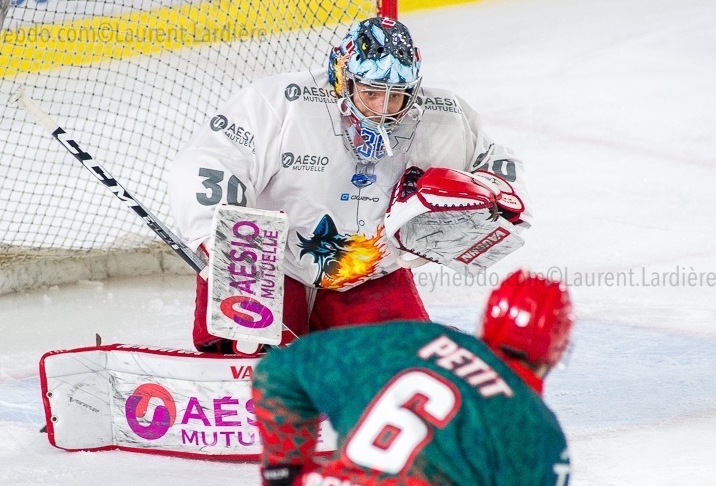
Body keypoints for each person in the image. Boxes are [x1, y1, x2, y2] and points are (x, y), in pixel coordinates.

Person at [168, 17, 533, 352]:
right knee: (248, 360)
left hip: (370, 271)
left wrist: (494, 195)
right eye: (371, 93)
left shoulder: (444, 117)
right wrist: (221, 241)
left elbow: (497, 164)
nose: (383, 110)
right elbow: (212, 160)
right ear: (343, 79)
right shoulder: (281, 103)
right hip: (269, 265)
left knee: (404, 362)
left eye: (396, 96)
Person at [244, 269, 573, 486]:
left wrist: (282, 478)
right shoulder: (537, 427)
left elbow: (279, 370)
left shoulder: (409, 340)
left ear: (486, 321)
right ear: (555, 352)